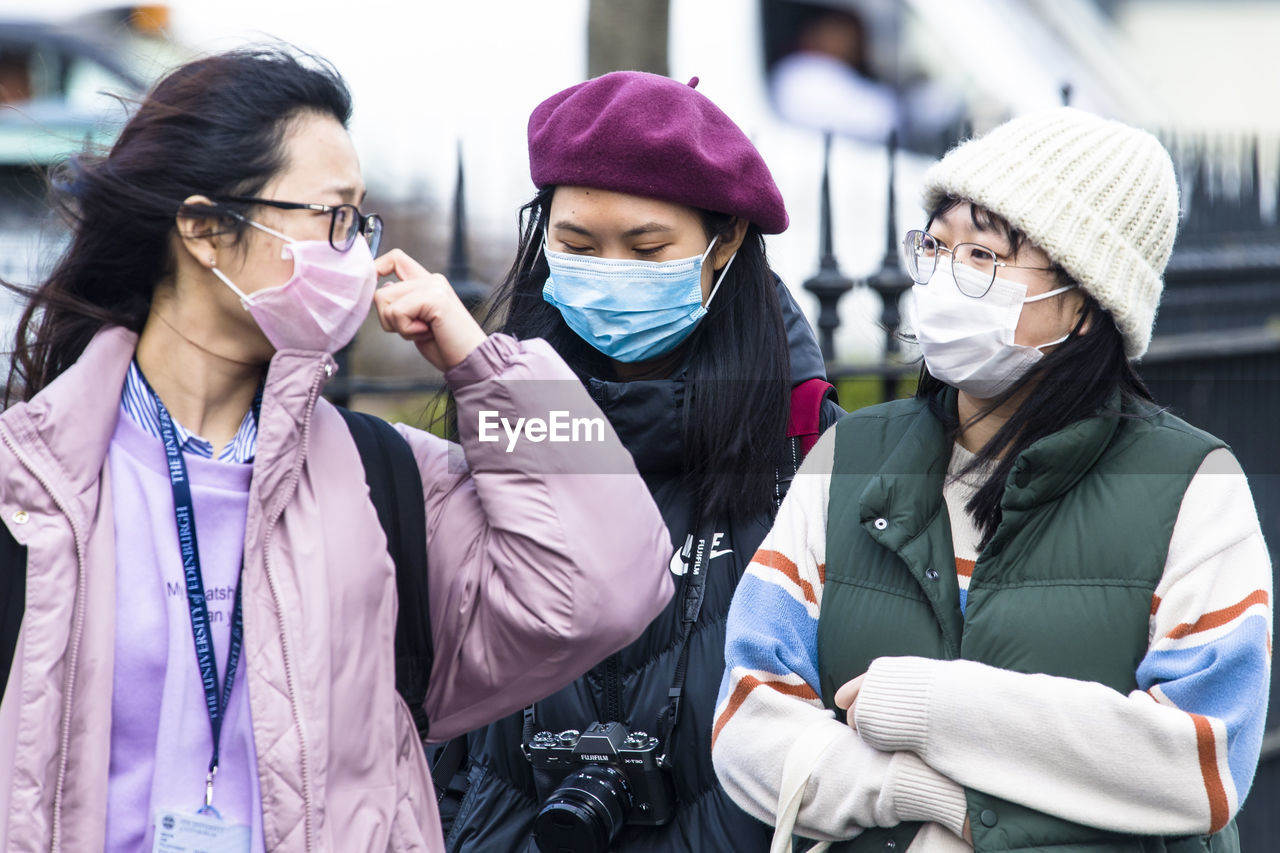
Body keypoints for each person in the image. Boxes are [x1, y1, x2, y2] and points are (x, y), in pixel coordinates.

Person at [0, 48, 673, 852]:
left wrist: (486, 367)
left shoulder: (380, 479)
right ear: (207, 229)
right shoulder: (31, 482)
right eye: (335, 218)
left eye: (362, 223)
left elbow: (611, 584)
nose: (356, 255)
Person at [713, 107, 1272, 852]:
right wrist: (925, 796)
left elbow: (1200, 762)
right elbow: (747, 721)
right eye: (936, 247)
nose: (944, 278)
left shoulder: (1194, 484)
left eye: (983, 256)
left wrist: (931, 706)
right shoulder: (848, 457)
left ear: (1083, 302)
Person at [435, 71, 843, 852]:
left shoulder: (811, 447)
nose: (609, 270)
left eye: (647, 246)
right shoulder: (496, 426)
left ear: (724, 243)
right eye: (577, 246)